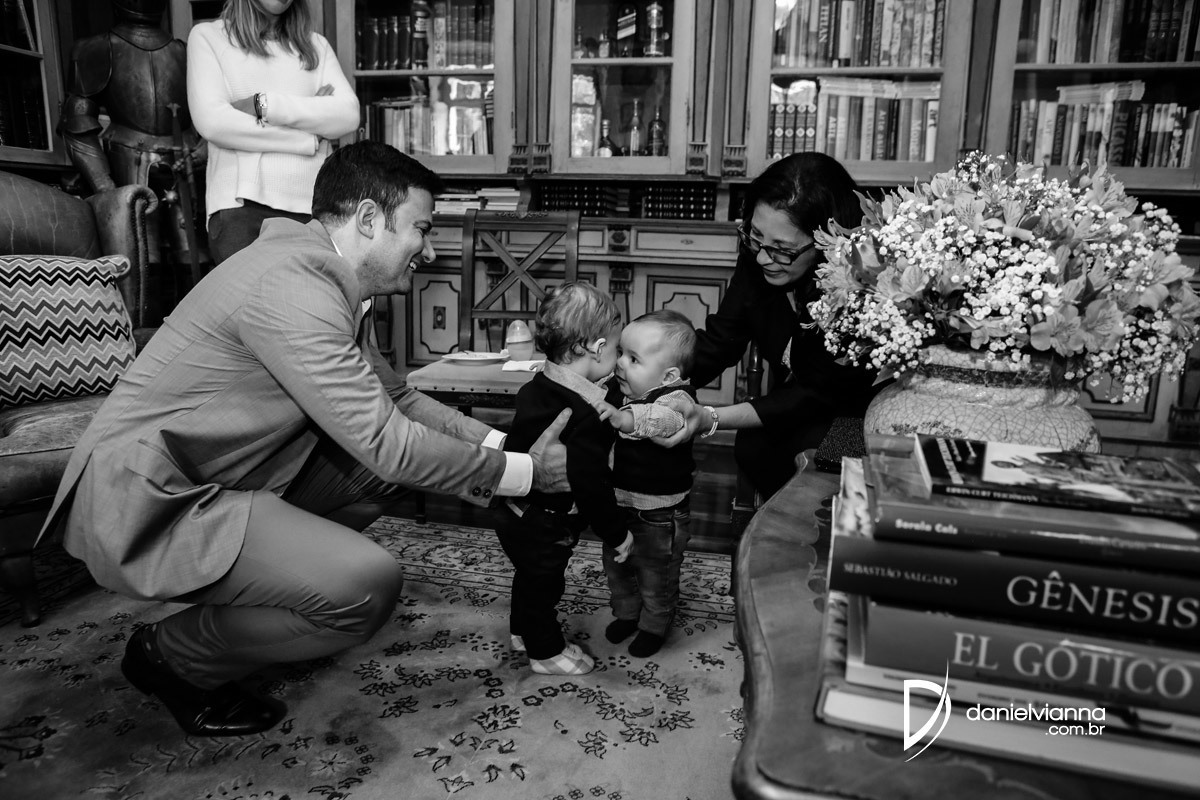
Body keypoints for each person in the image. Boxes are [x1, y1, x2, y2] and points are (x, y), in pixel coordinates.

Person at [37, 141, 572, 738]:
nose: (429, 249)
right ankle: (171, 654)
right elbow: (387, 440)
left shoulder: (327, 275)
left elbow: (396, 400)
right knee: (367, 585)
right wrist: (527, 476)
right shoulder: (294, 284)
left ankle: (273, 594)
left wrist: (507, 449)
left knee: (374, 475)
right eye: (421, 229)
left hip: (222, 474)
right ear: (368, 218)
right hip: (152, 497)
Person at [678, 153, 882, 499]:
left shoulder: (859, 281)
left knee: (814, 462)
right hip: (794, 405)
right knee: (754, 446)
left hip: (854, 414)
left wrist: (710, 418)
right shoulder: (758, 255)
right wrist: (648, 380)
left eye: (782, 249)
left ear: (827, 242)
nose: (762, 257)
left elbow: (817, 393)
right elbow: (720, 341)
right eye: (755, 236)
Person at [495, 282, 635, 676]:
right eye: (617, 350)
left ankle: (521, 631)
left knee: (528, 576)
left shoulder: (539, 385)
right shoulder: (587, 413)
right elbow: (591, 484)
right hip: (546, 521)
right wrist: (617, 533)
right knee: (544, 585)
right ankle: (544, 651)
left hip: (511, 509)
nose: (618, 360)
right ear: (596, 348)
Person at [58, 0, 208, 315]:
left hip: (185, 165)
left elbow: (211, 112)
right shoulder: (97, 48)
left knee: (193, 257)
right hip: (128, 162)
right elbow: (77, 122)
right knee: (140, 255)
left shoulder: (186, 52)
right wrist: (105, 186)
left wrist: (202, 148)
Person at [187, 0, 360, 264]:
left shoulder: (316, 46)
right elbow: (214, 123)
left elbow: (348, 115)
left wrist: (262, 104)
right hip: (242, 210)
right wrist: (309, 136)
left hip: (313, 212)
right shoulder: (209, 37)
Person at [594, 310, 698, 658]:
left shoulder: (676, 399)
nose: (620, 363)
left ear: (668, 376)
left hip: (660, 514)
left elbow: (660, 420)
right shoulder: (621, 388)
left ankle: (654, 624)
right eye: (620, 353)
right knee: (617, 568)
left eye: (633, 358)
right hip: (619, 503)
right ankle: (627, 614)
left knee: (657, 576)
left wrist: (624, 418)